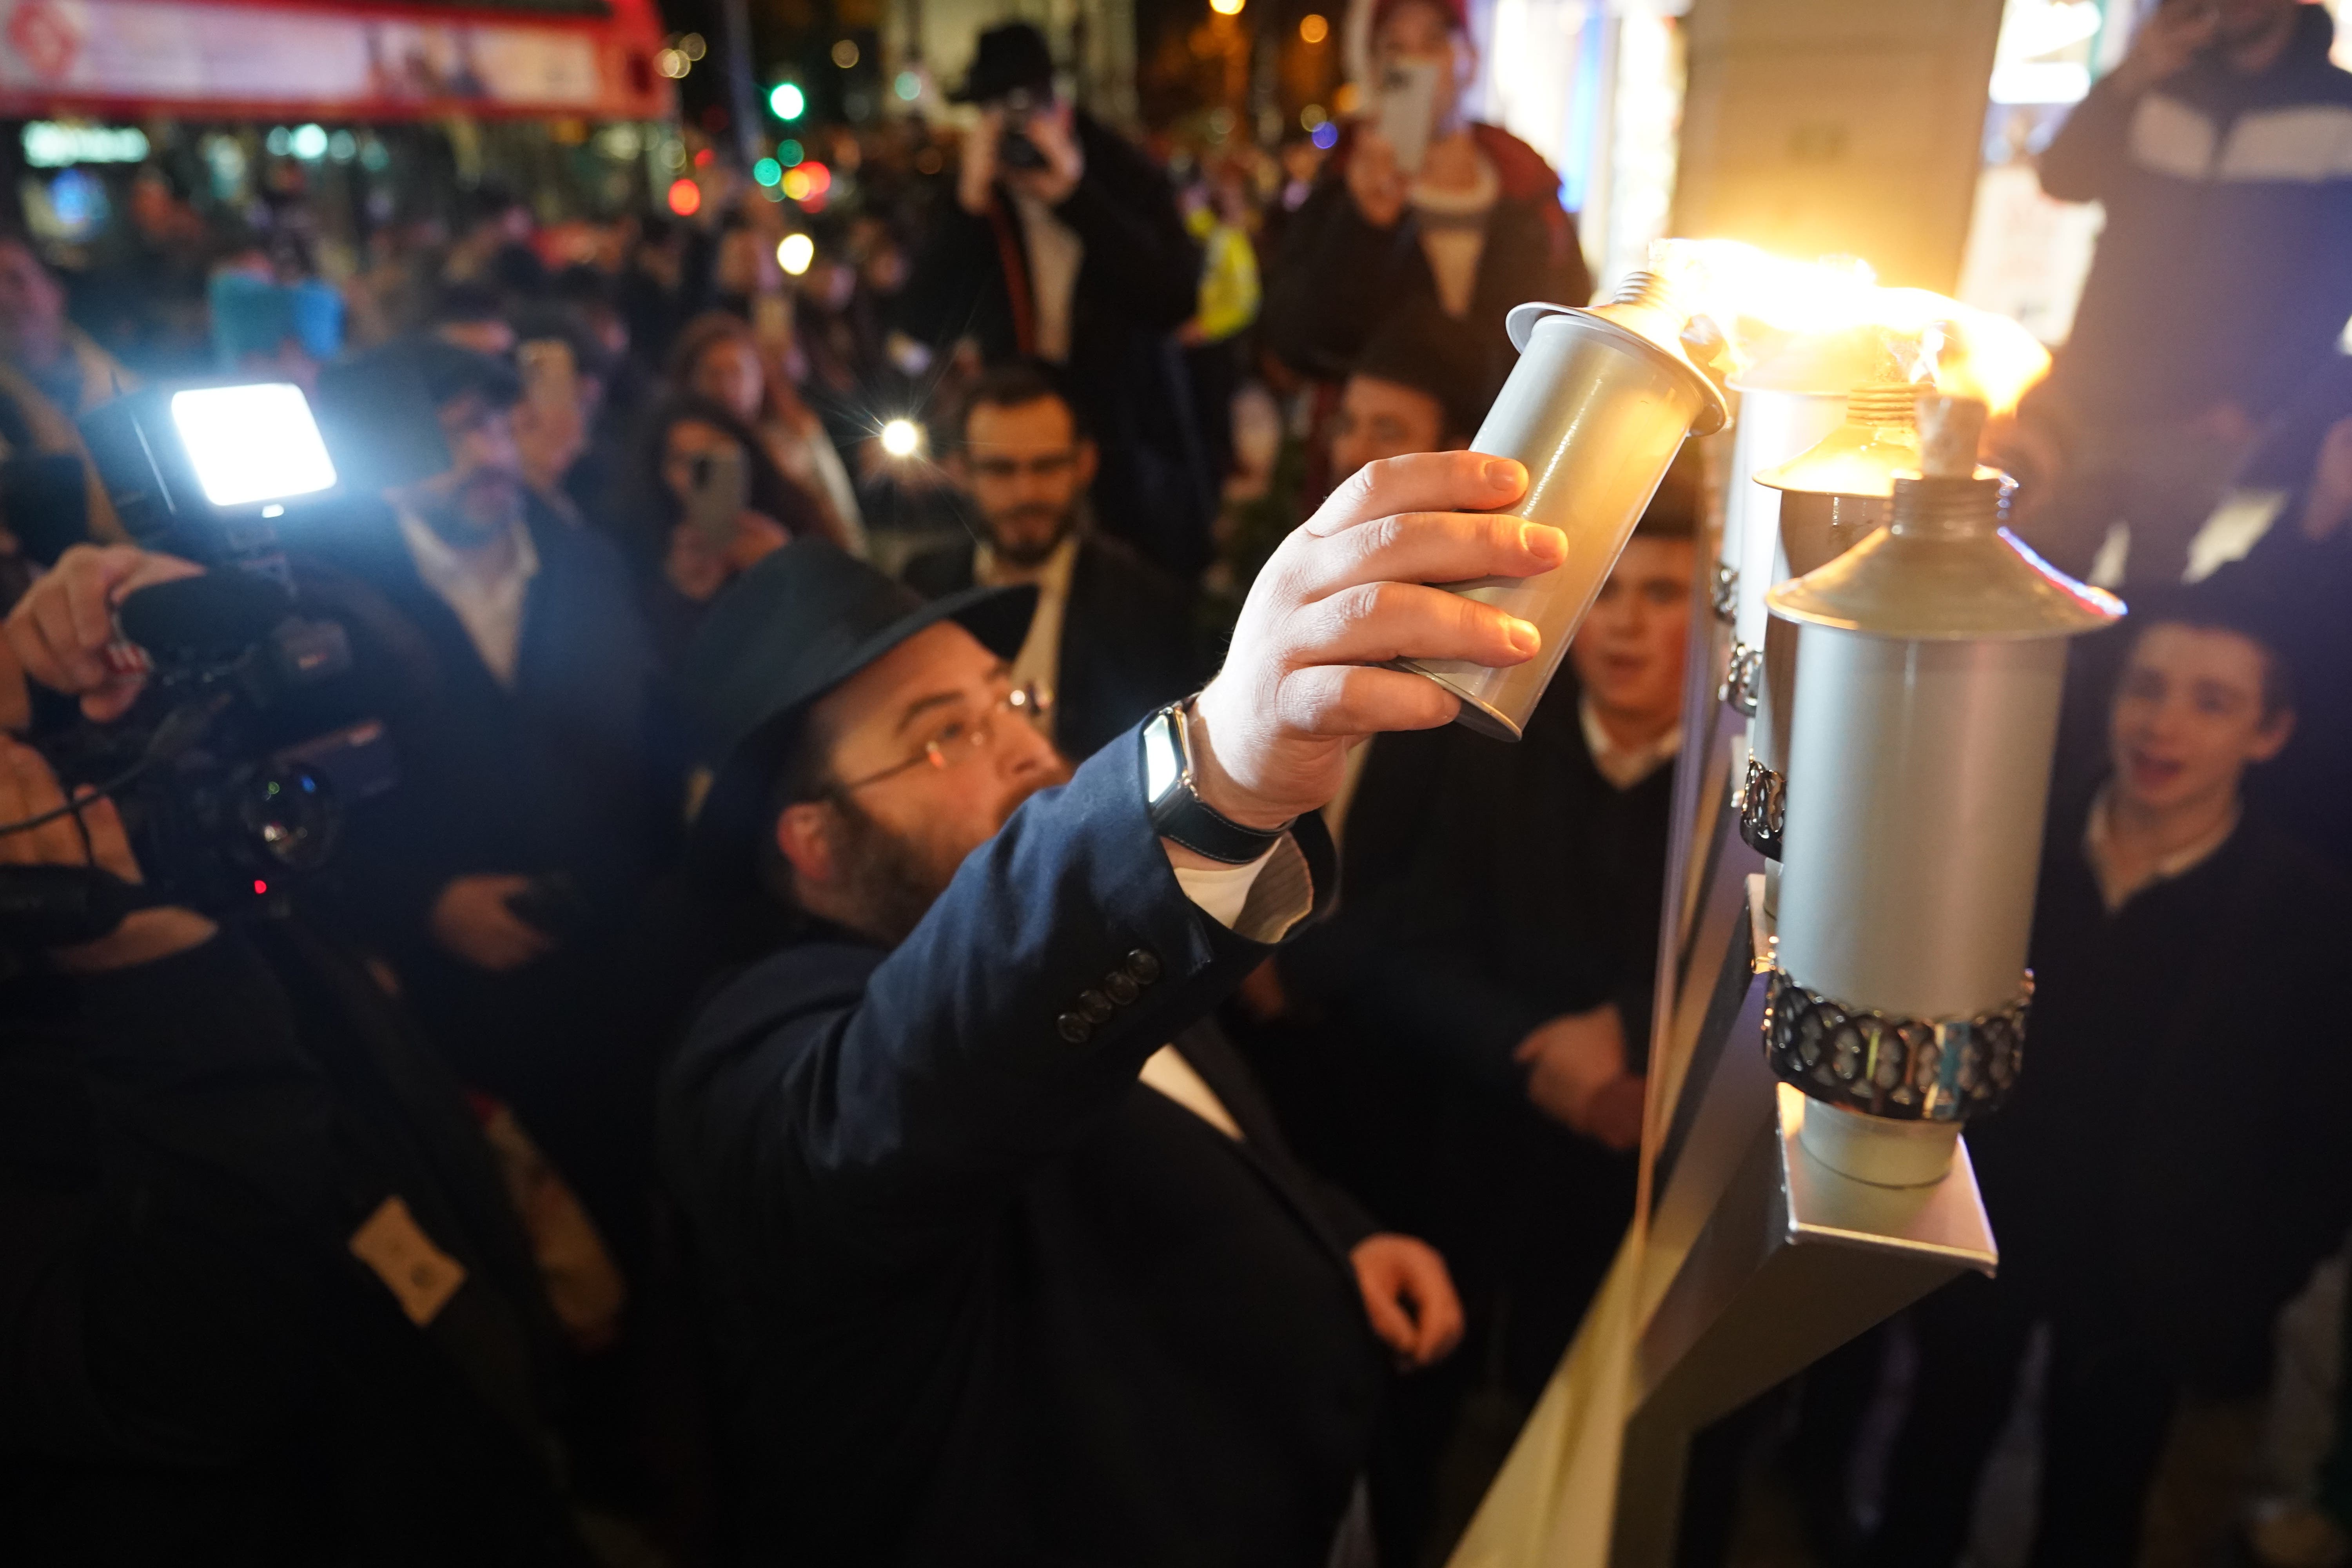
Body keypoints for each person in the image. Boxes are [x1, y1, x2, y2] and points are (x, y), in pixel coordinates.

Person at [659, 448, 1566, 1564]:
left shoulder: (1103, 952)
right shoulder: (757, 1052)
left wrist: (1333, 1238)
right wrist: (1215, 770)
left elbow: (1181, 1121)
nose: (1031, 750)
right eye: (944, 732)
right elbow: (903, 1091)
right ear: (812, 839)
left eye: (1010, 699)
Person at [0, 559, 601, 1564]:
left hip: (457, 1391)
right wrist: (151, 968)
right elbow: (186, 1371)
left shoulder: (75, 760)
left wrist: (210, 615)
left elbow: (389, 690)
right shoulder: (92, 935)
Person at [1254, 468, 1695, 1562]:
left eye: (1666, 594)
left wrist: (1633, 1035)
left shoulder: (1745, 782)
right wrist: (1529, 1053)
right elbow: (1396, 940)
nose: (1628, 626)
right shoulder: (1490, 738)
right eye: (1612, 592)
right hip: (1466, 1139)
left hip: (1638, 1182)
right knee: (1419, 1430)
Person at [1865, 596, 2352, 1568]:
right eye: (2147, 687)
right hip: (1980, 1231)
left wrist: (2244, 1284)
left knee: (2097, 1505)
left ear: (2270, 733)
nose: (2162, 724)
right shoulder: (2006, 836)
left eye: (2212, 702)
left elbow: (2322, 1137)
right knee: (1929, 1463)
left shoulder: (2307, 916)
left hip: (2153, 1280)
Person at [305, 341, 677, 1270]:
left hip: (625, 978)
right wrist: (423, 905)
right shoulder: (334, 610)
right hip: (459, 1010)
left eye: (503, 424)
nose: (493, 454)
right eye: (459, 432)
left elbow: (655, 758)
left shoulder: (588, 561)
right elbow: (309, 814)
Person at [2021, 0, 2352, 583]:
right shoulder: (2164, 80)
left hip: (2210, 413)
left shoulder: (2338, 107)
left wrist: (2257, 404)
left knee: (2156, 586)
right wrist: (2129, 77)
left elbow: (2334, 279)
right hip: (2094, 389)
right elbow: (2063, 179)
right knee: (2044, 575)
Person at [897, 22, 1215, 579]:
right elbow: (921, 322)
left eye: (1025, 107)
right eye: (995, 112)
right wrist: (968, 209)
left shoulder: (1125, 172)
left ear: (1057, 103)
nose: (1014, 127)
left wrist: (1075, 197)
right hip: (1021, 441)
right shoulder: (977, 198)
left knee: (1136, 600)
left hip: (1126, 437)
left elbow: (1175, 297)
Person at [1263, 0, 1591, 401]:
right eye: (1394, 49)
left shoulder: (1528, 191)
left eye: (1434, 42)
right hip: (1375, 456)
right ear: (1374, 69)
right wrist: (1362, 227)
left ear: (1469, 58)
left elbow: (1568, 329)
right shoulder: (1339, 188)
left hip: (1499, 454)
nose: (1415, 63)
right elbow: (1296, 340)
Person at [900, 361, 1204, 763]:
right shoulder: (920, 589)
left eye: (1046, 466)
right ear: (960, 472)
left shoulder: (1147, 605)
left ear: (1085, 464)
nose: (1025, 492)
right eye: (1000, 469)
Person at [625, 392, 831, 666]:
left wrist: (787, 568)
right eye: (680, 460)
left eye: (714, 452)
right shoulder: (645, 550)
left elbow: (842, 629)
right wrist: (681, 598)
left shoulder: (796, 514)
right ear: (661, 472)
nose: (699, 474)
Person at [668, 310, 866, 556]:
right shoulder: (677, 446)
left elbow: (843, 520)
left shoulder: (795, 434)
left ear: (760, 376)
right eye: (714, 374)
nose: (727, 387)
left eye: (737, 372)